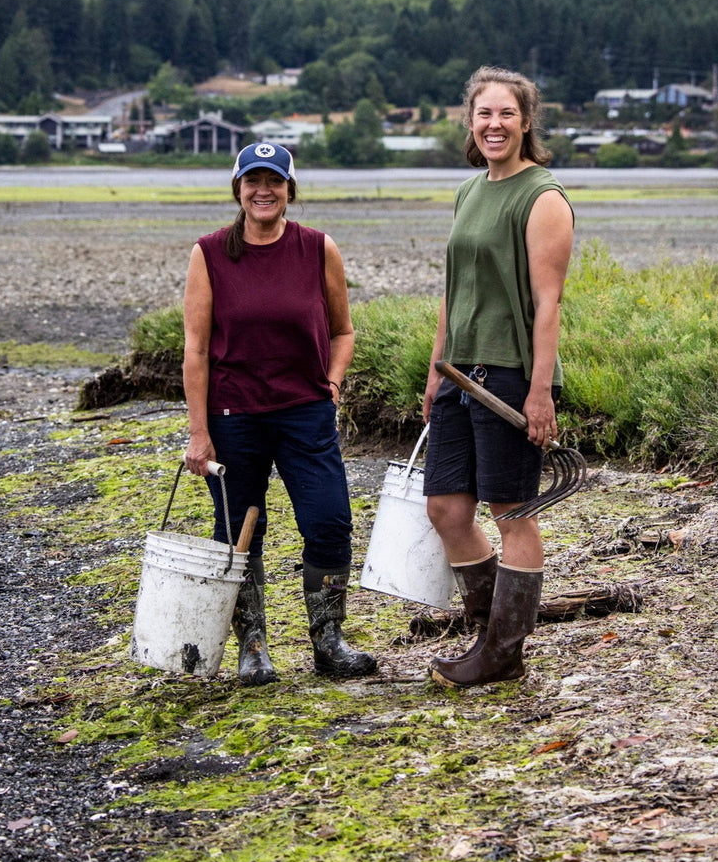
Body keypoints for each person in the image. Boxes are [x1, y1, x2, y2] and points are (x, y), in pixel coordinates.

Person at [182, 141, 376, 686]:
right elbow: (195, 350)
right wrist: (199, 433)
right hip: (233, 415)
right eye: (252, 181)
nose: (263, 191)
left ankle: (329, 641)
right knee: (239, 527)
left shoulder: (317, 249)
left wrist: (332, 383)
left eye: (274, 181)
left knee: (330, 519)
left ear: (291, 189)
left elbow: (343, 330)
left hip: (305, 413)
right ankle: (253, 645)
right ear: (238, 189)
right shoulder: (210, 253)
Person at [422, 65, 574, 689]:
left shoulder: (542, 197)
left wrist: (540, 390)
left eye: (507, 113)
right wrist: (436, 372)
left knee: (513, 512)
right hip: (459, 374)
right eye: (484, 113)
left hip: (509, 375)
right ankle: (485, 630)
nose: (494, 124)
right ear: (470, 121)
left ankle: (503, 652)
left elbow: (548, 303)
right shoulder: (468, 191)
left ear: (526, 121)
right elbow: (452, 291)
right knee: (445, 508)